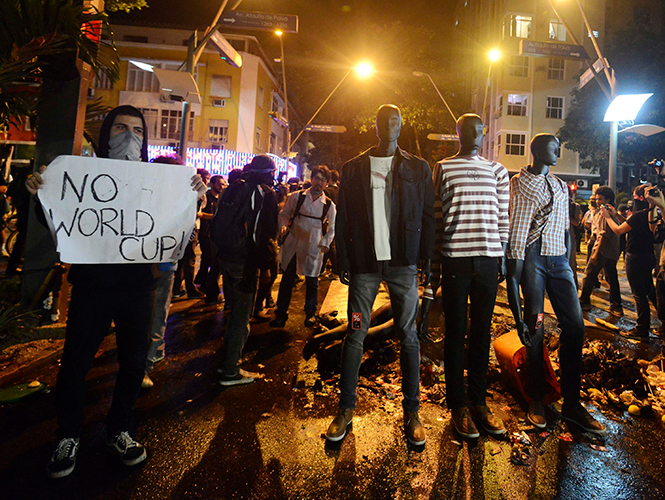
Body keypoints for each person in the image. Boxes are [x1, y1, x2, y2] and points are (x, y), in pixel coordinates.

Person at [26, 105, 207, 478]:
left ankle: (120, 430)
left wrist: (194, 197)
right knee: (75, 363)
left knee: (133, 363)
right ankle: (68, 435)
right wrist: (40, 193)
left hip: (138, 287)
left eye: (137, 130)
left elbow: (175, 224)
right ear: (107, 132)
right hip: (92, 287)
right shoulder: (79, 174)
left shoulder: (158, 178)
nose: (129, 136)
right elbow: (58, 220)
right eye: (121, 127)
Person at [325, 104, 435, 446]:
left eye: (397, 120)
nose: (391, 125)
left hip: (403, 261)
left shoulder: (417, 167)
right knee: (356, 332)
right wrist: (342, 255)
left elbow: (430, 214)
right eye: (385, 120)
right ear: (375, 125)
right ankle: (345, 410)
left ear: (401, 125)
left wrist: (427, 259)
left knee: (409, 337)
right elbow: (343, 215)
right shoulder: (355, 167)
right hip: (365, 263)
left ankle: (412, 412)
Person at [506, 134, 605, 435]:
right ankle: (537, 399)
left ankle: (572, 404)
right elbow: (516, 234)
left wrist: (571, 269)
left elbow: (566, 231)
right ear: (536, 150)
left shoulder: (561, 187)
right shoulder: (519, 184)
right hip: (532, 261)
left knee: (575, 326)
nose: (559, 149)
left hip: (559, 261)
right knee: (536, 327)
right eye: (553, 145)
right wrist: (514, 276)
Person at [433, 113, 509, 438]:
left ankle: (479, 401)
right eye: (469, 130)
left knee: (481, 332)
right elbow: (438, 215)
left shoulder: (498, 170)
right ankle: (458, 405)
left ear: (484, 133)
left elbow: (502, 215)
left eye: (480, 130)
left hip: (488, 258)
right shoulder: (443, 167)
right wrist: (435, 261)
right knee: (455, 332)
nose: (475, 134)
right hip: (455, 259)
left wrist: (502, 253)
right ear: (458, 133)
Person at [211, 155, 279, 386]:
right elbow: (265, 234)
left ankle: (227, 362)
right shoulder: (265, 195)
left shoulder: (234, 187)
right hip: (245, 262)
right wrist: (267, 266)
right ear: (267, 173)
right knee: (242, 316)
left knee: (234, 313)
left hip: (226, 258)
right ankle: (231, 370)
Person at [141, 156, 187, 390]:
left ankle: (144, 366)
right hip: (141, 266)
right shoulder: (143, 196)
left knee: (157, 317)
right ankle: (140, 364)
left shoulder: (179, 198)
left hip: (166, 266)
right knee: (144, 319)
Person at [270, 165, 336, 328]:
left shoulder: (328, 204)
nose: (319, 183)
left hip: (313, 246)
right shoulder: (297, 197)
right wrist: (283, 225)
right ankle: (281, 315)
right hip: (294, 243)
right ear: (311, 179)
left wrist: (325, 243)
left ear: (326, 183)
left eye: (323, 180)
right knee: (287, 280)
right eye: (317, 179)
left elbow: (334, 226)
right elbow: (284, 214)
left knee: (312, 281)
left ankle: (310, 314)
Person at [601, 184, 657, 339]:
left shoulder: (640, 214)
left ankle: (641, 329)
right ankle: (662, 322)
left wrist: (607, 217)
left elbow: (619, 230)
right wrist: (616, 215)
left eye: (634, 195)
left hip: (635, 257)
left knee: (639, 294)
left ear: (640, 197)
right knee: (650, 291)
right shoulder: (651, 214)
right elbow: (630, 224)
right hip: (648, 256)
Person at [579, 186, 622, 315]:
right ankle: (616, 305)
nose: (597, 201)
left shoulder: (605, 212)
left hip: (603, 248)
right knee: (611, 277)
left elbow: (603, 233)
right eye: (596, 199)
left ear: (608, 199)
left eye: (600, 199)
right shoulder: (603, 211)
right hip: (610, 250)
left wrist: (596, 252)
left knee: (589, 275)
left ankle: (584, 301)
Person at [173, 168, 209, 299]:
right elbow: (197, 211)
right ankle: (189, 288)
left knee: (182, 261)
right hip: (189, 229)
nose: (205, 181)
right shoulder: (194, 191)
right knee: (188, 260)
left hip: (190, 228)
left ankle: (177, 288)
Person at [196, 175, 225, 303]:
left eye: (223, 184)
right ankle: (208, 288)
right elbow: (199, 214)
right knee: (212, 260)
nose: (222, 187)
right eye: (219, 184)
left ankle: (201, 282)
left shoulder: (222, 199)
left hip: (217, 234)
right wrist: (214, 217)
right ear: (212, 184)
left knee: (208, 260)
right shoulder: (206, 197)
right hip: (206, 233)